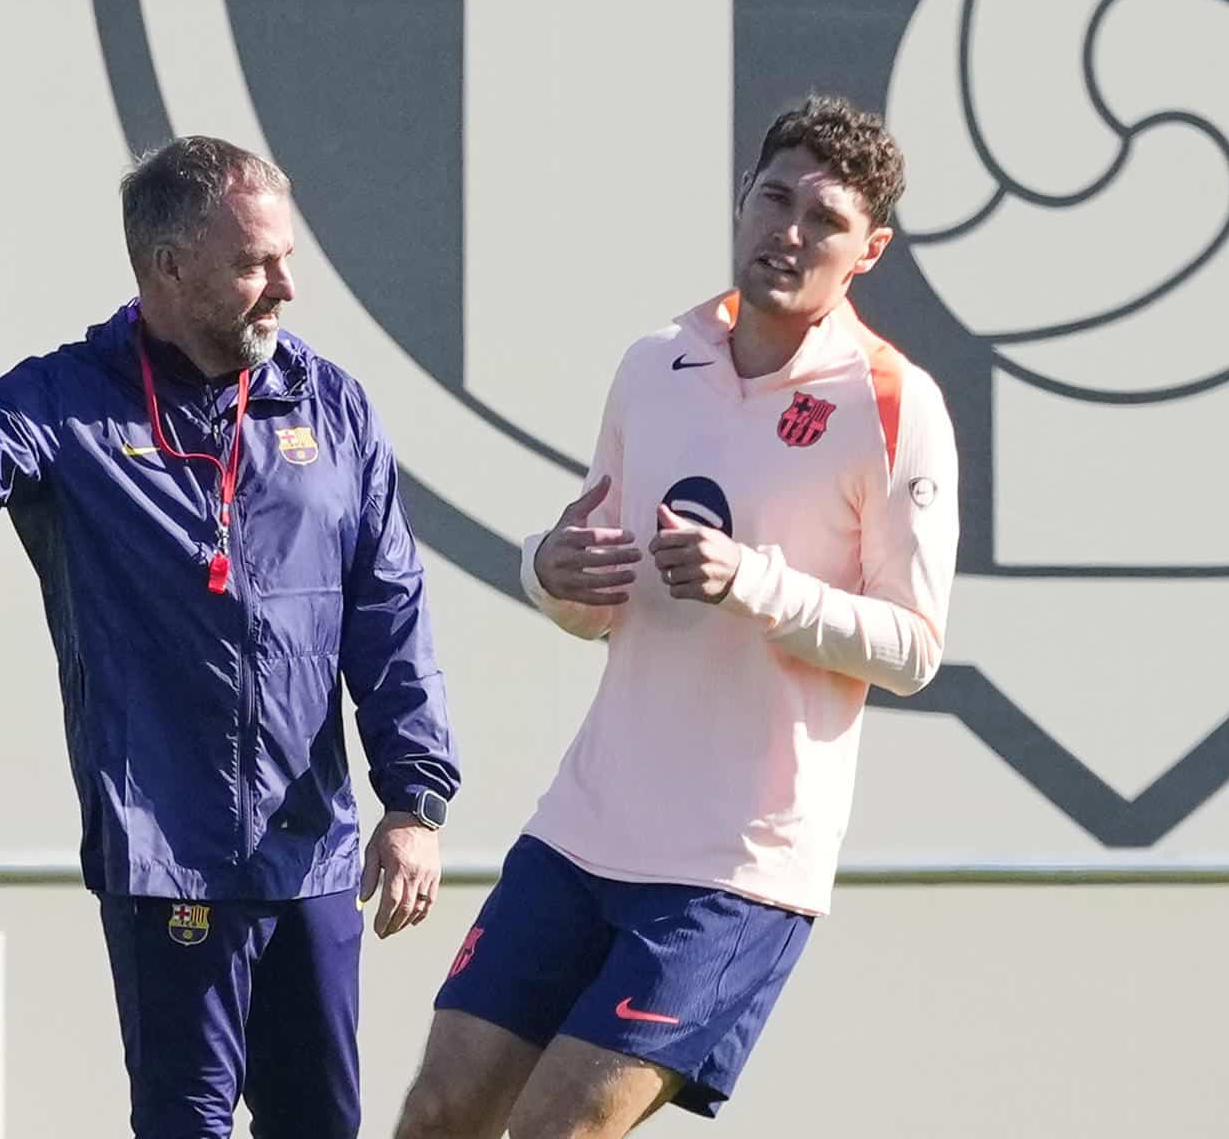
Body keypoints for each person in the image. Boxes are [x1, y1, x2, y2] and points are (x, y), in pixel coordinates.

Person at [0, 136, 460, 1139]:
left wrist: (414, 797)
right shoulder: (70, 399)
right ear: (168, 266)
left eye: (285, 257)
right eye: (254, 263)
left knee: (320, 1123)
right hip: (166, 855)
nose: (285, 285)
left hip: (310, 856)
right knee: (182, 1122)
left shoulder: (330, 406)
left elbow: (390, 606)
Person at [393, 95, 958, 1139]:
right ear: (742, 201)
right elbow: (595, 594)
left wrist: (755, 578)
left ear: (869, 248)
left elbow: (915, 648)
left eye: (824, 219)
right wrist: (545, 570)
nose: (788, 230)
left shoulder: (894, 403)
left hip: (732, 867)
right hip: (583, 827)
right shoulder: (656, 361)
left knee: (556, 1131)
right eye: (773, 197)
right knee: (438, 1114)